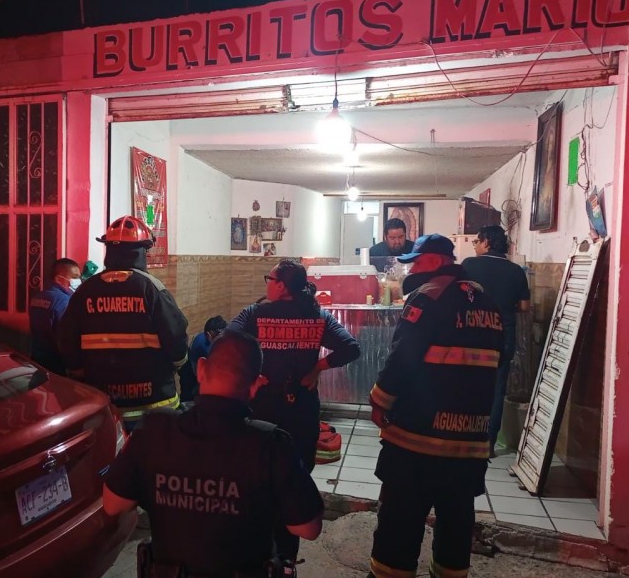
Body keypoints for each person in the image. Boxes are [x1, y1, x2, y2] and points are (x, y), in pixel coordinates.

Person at [102, 330, 324, 577]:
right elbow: (308, 528)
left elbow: (112, 505)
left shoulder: (153, 429)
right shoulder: (272, 444)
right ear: (255, 385)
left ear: (201, 369)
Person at [367, 234, 503, 578]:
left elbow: (403, 357)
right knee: (456, 520)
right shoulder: (487, 301)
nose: (412, 268)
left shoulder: (429, 296)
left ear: (436, 261)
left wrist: (379, 399)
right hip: (469, 442)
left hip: (418, 437)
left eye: (416, 261)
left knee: (400, 518)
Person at [230, 258, 360, 561]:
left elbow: (226, 340)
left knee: (258, 476)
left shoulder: (255, 313)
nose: (267, 283)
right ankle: (287, 557)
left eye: (269, 278)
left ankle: (258, 551)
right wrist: (317, 368)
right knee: (296, 476)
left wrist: (250, 373)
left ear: (281, 286)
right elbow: (351, 348)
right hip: (301, 408)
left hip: (263, 408)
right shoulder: (317, 316)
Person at [58, 215, 188, 431]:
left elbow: (66, 339)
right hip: (154, 405)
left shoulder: (85, 291)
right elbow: (177, 340)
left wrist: (79, 371)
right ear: (142, 251)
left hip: (104, 405)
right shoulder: (152, 289)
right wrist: (176, 365)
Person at [461, 225, 530, 457]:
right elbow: (524, 306)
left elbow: (459, 296)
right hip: (502, 337)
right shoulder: (516, 271)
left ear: (487, 242)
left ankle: (466, 437)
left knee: (468, 385)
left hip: (472, 335)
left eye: (477, 241)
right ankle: (489, 443)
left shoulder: (469, 265)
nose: (475, 246)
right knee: (497, 390)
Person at [28, 258, 81, 375]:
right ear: (59, 279)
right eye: (75, 277)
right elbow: (65, 337)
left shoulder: (37, 297)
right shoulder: (64, 301)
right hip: (56, 363)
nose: (78, 281)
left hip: (37, 359)